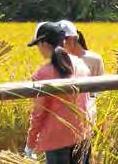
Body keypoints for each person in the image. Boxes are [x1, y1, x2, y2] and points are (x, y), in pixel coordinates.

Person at [25, 22, 92, 164]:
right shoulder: (81, 65)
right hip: (82, 135)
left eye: (38, 45)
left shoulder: (43, 74)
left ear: (44, 43)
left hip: (56, 140)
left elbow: (38, 114)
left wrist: (30, 144)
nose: (38, 49)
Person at [59, 20, 105, 124]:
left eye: (64, 39)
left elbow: (101, 92)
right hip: (64, 115)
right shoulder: (60, 61)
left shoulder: (94, 59)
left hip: (90, 112)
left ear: (73, 39)